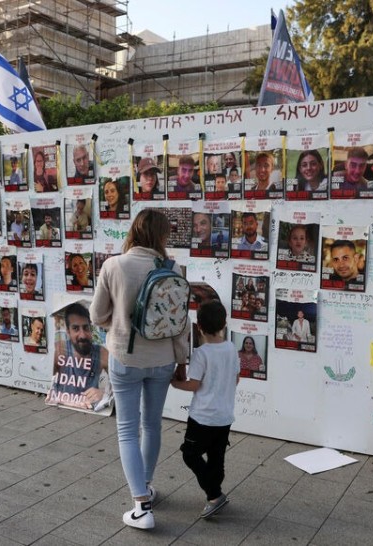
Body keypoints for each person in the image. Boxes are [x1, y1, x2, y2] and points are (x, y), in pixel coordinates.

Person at [89, 208, 190, 530]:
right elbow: (182, 323)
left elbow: (96, 315)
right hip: (163, 359)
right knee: (152, 425)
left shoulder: (114, 265)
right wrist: (182, 362)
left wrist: (118, 324)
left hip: (126, 358)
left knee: (127, 430)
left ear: (133, 231)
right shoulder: (173, 268)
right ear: (162, 236)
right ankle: (146, 485)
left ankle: (141, 506)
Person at [170, 300, 239, 519]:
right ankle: (214, 494)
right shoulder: (231, 348)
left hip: (202, 417)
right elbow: (236, 378)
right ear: (224, 324)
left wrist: (174, 383)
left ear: (198, 326)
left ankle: (215, 495)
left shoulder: (201, 353)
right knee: (217, 457)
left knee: (190, 455)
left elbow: (194, 385)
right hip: (224, 416)